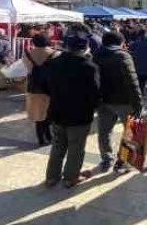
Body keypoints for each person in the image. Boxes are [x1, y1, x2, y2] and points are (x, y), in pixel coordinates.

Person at [45, 30, 101, 188]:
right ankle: (70, 178)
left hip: (57, 111)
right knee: (76, 147)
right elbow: (94, 92)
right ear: (85, 47)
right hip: (79, 115)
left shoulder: (54, 63)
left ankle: (51, 177)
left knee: (57, 146)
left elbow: (48, 86)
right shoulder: (89, 67)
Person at [93, 31, 143, 173]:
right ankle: (124, 162)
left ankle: (107, 159)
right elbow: (132, 80)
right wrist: (138, 102)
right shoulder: (123, 55)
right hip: (124, 100)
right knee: (130, 131)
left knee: (104, 131)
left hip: (103, 100)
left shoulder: (95, 55)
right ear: (121, 42)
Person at [23, 34, 59, 147]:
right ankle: (49, 136)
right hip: (52, 88)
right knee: (49, 114)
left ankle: (41, 139)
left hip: (34, 87)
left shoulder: (27, 54)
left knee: (38, 115)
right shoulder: (56, 54)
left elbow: (28, 69)